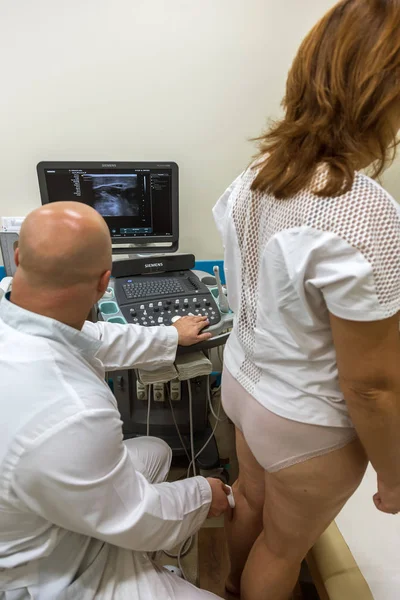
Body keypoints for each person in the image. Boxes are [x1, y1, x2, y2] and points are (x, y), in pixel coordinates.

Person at [213, 1, 400, 599]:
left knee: (250, 503)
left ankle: (223, 586)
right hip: (305, 422)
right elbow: (372, 387)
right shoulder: (363, 211)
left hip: (243, 383)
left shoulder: (260, 171)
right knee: (283, 547)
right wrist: (394, 477)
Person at [0, 201, 229, 600]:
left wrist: (170, 336)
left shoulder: (15, 308)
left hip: (33, 501)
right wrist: (205, 493)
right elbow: (140, 519)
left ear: (18, 257)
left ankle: (141, 566)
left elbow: (92, 338)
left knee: (155, 450)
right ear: (105, 282)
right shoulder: (74, 409)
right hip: (49, 573)